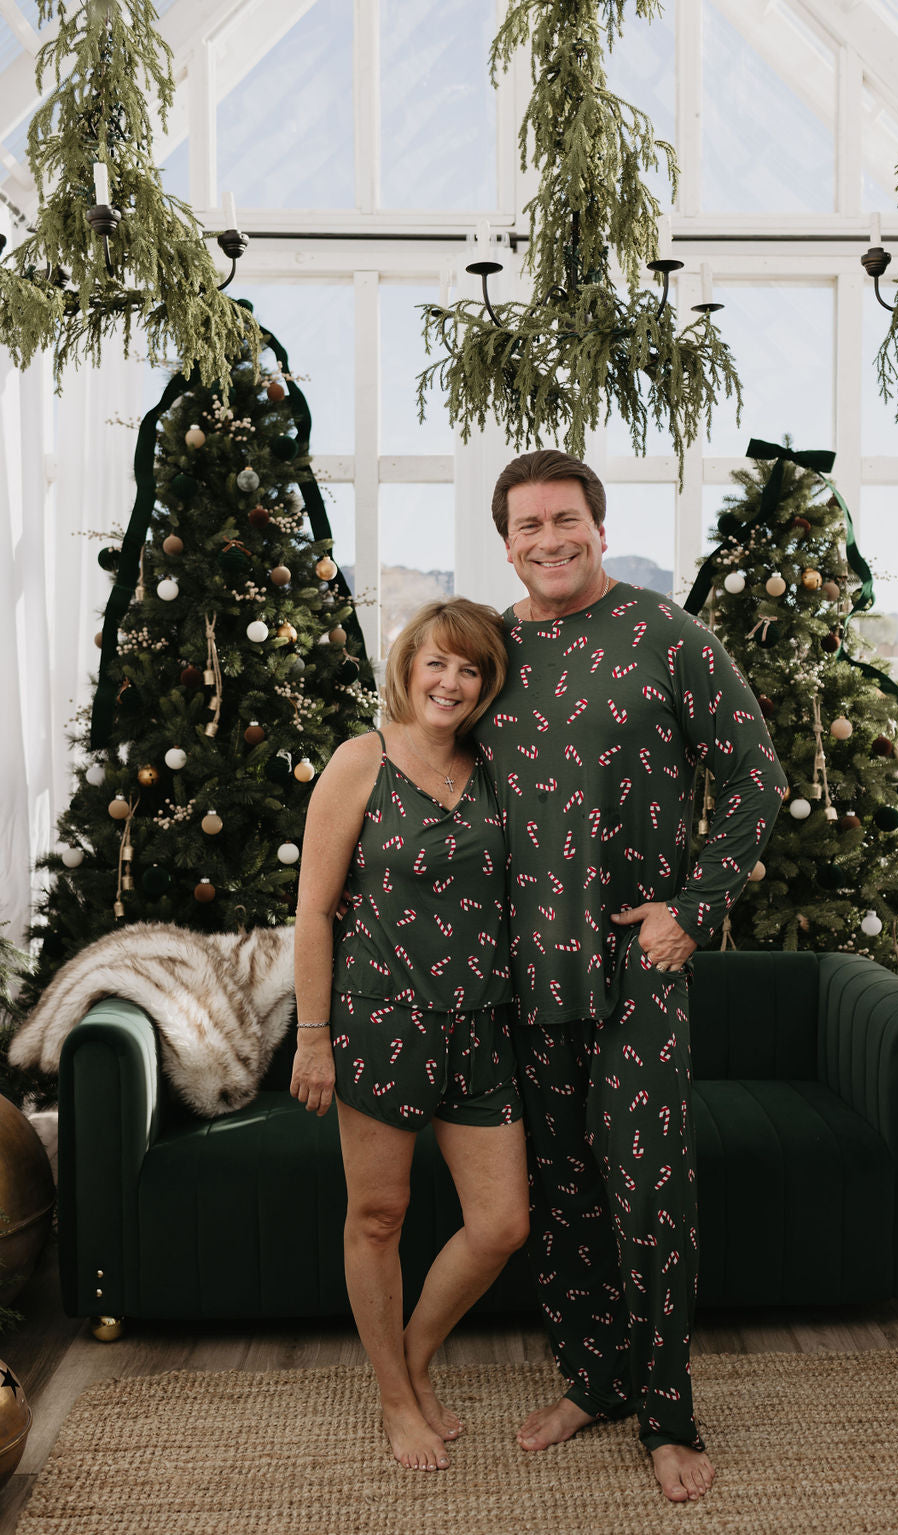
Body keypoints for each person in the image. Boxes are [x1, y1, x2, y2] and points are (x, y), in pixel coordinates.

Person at [473, 449, 787, 1504]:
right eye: (526, 525)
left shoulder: (668, 637)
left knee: (648, 1195)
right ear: (505, 539)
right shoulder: (488, 647)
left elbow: (756, 772)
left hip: (635, 964)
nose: (547, 539)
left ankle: (667, 1410)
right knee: (558, 1195)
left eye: (565, 519)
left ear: (600, 528)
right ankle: (593, 1377)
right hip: (519, 969)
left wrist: (691, 908)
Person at [291, 597, 530, 1473]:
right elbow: (313, 910)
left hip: (480, 1025)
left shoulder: (495, 768)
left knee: (502, 1224)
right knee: (380, 1215)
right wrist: (313, 1037)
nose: (452, 681)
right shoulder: (362, 761)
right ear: (408, 665)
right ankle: (394, 1395)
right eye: (438, 662)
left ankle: (416, 1354)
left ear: (486, 685)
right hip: (378, 1021)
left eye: (471, 669)